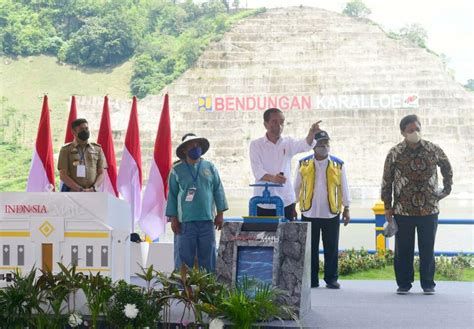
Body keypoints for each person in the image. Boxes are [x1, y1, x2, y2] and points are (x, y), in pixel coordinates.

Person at [382, 114, 453, 295]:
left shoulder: (432, 149)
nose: (415, 132)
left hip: (429, 209)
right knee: (403, 249)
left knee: (427, 248)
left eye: (417, 128)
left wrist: (446, 190)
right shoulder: (395, 152)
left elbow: (446, 167)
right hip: (403, 210)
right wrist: (387, 206)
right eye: (411, 130)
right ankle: (404, 284)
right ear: (403, 132)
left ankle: (428, 284)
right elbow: (387, 180)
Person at [294, 130, 350, 289]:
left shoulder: (338, 164)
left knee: (331, 248)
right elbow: (296, 187)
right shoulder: (303, 164)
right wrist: (293, 206)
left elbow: (344, 187)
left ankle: (331, 279)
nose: (324, 146)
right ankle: (312, 279)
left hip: (331, 212)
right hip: (308, 211)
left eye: (326, 143)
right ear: (313, 146)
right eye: (320, 144)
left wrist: (347, 208)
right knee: (310, 249)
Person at [166, 133, 228, 272]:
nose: (196, 148)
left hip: (207, 220)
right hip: (185, 223)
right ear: (184, 150)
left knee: (208, 257)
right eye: (192, 146)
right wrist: (173, 218)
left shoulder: (209, 167)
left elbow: (218, 189)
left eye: (198, 145)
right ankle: (182, 291)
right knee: (183, 258)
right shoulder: (177, 170)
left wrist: (220, 213)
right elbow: (172, 195)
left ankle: (208, 290)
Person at [249, 108, 321, 220]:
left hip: (286, 200)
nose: (279, 125)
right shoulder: (256, 145)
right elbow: (257, 171)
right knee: (264, 236)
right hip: (262, 201)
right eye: (274, 121)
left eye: (282, 122)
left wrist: (311, 134)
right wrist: (273, 178)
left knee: (286, 236)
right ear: (265, 124)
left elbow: (304, 145)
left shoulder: (288, 142)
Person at [58, 118, 106, 192]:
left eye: (86, 128)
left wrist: (94, 188)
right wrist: (80, 189)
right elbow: (63, 175)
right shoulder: (66, 150)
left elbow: (101, 173)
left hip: (92, 192)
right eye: (81, 129)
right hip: (73, 193)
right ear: (73, 132)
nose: (85, 131)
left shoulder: (97, 149)